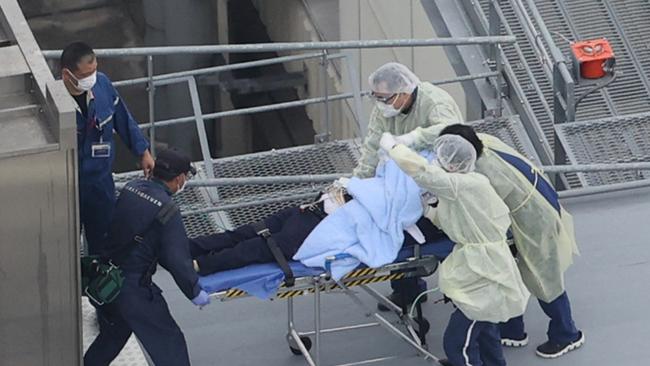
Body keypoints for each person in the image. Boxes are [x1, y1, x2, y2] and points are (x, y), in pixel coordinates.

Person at [433, 124, 583, 358]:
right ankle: (512, 330)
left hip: (535, 223)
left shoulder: (481, 176)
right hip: (533, 205)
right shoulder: (482, 144)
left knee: (544, 279)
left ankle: (566, 334)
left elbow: (476, 214)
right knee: (510, 272)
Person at [380, 132, 530, 366]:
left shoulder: (464, 185)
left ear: (451, 164)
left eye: (440, 159)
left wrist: (394, 148)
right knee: (486, 330)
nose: (435, 162)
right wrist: (429, 211)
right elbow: (459, 221)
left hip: (484, 272)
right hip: (484, 265)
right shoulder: (469, 185)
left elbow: (423, 173)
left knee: (456, 342)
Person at [351, 62, 463, 309]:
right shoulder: (385, 109)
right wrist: (357, 183)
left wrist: (413, 139)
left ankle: (460, 291)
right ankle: (406, 291)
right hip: (404, 183)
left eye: (385, 98)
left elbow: (451, 131)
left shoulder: (434, 102)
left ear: (404, 92)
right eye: (377, 98)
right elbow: (372, 146)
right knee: (394, 227)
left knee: (448, 235)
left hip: (441, 179)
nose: (381, 104)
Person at [84, 148, 208, 366]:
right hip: (135, 290)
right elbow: (176, 260)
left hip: (107, 281)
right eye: (185, 178)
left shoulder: (131, 189)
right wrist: (195, 291)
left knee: (113, 336)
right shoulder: (168, 211)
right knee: (170, 343)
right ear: (179, 179)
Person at [190, 187, 446, 276]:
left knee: (248, 240)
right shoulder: (423, 203)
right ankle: (194, 258)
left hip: (319, 217)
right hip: (317, 218)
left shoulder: (424, 213)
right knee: (250, 241)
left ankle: (193, 257)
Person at [60, 41, 154, 255]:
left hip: (100, 182)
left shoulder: (102, 85)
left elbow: (122, 118)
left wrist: (142, 151)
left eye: (94, 70)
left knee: (105, 243)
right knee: (66, 250)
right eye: (86, 74)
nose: (91, 78)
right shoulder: (55, 103)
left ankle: (100, 283)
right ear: (67, 75)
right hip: (66, 187)